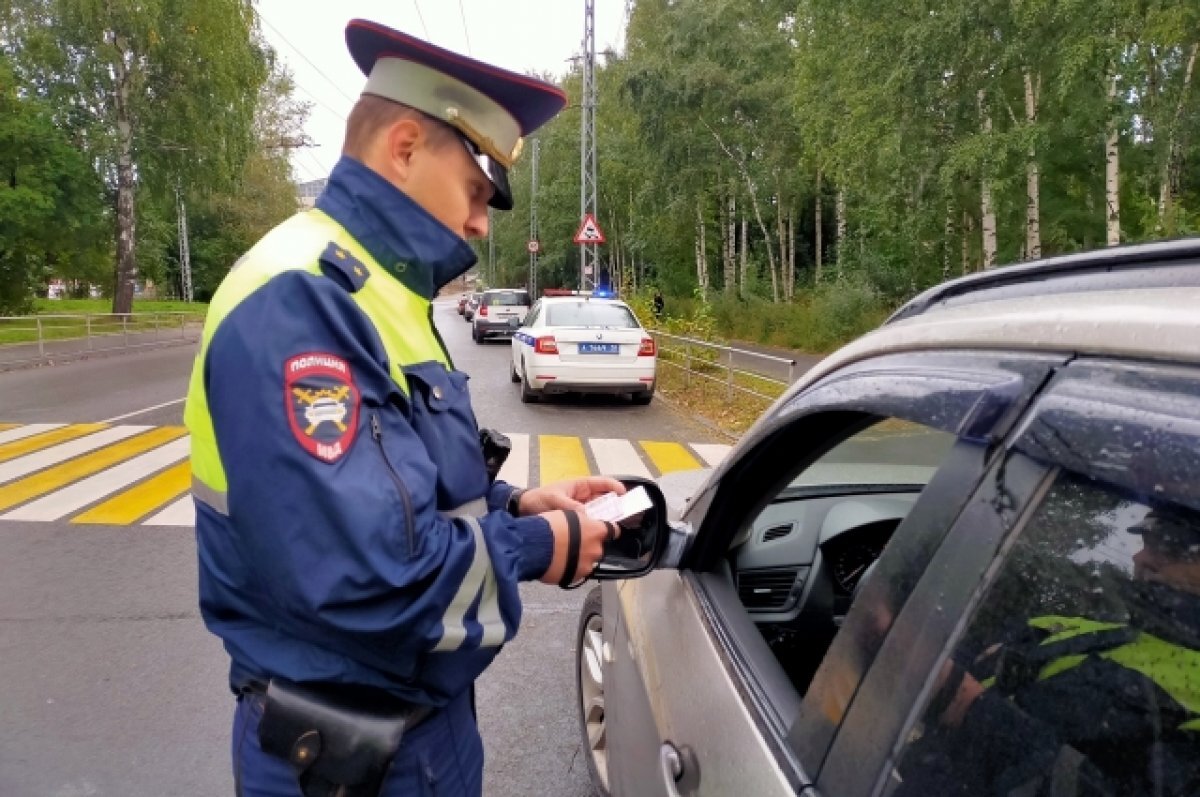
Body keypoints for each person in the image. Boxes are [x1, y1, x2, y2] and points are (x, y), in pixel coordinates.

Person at [183, 19, 625, 797]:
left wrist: (516, 501)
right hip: (343, 755)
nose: (483, 221)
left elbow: (402, 493)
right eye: (477, 190)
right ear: (406, 146)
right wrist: (539, 543)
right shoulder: (301, 300)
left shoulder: (382, 292)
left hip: (415, 730)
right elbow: (371, 576)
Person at [897, 504, 1200, 796]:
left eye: (1171, 548)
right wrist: (907, 639)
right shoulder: (1083, 627)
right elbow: (962, 660)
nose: (1140, 556)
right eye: (1146, 542)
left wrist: (968, 706)